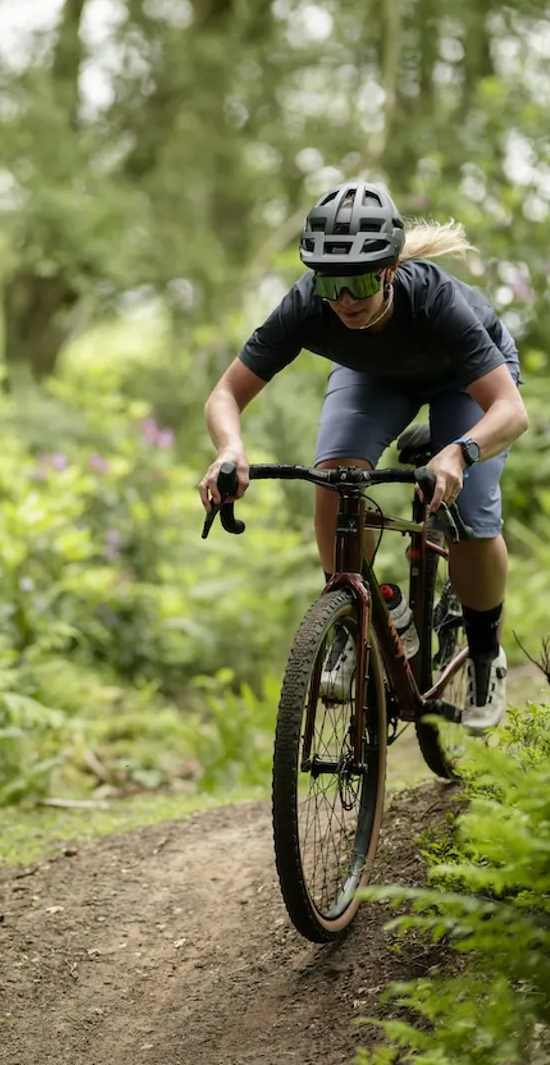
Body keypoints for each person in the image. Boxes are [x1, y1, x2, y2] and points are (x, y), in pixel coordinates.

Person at [196, 178, 529, 733]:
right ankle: (367, 612)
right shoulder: (308, 305)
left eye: (360, 280)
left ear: (390, 270)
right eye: (331, 282)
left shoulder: (437, 302)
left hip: (466, 382)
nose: (345, 299)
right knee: (335, 478)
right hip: (374, 378)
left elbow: (511, 412)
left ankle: (484, 655)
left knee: (469, 517)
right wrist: (230, 449)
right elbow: (226, 393)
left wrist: (459, 453)